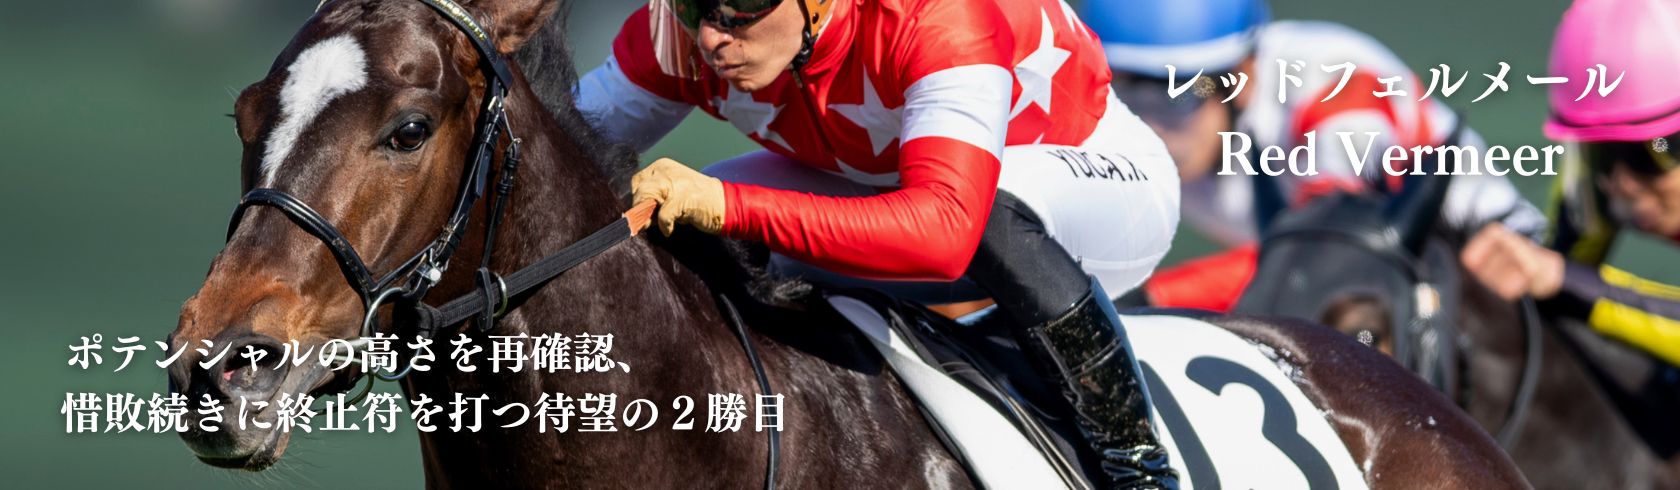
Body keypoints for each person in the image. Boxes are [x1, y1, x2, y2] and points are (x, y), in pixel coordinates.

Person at [574, 0, 1182, 487]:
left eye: (743, 4)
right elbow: (550, 151)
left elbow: (945, 234)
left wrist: (732, 205)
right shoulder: (676, 35)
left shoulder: (934, 13)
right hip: (901, 190)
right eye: (691, 6)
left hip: (1092, 195)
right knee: (687, 228)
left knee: (985, 211)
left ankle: (1139, 468)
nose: (711, 36)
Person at [1079, 0, 1547, 312]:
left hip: (1492, 275)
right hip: (1347, 291)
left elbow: (1323, 258)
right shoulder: (1147, 122)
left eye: (1179, 94)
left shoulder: (1336, 83)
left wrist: (1148, 298)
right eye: (1126, 91)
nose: (1150, 126)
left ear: (1244, 74)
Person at [1460, 0, 1680, 368]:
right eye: (1600, 152)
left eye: (1647, 153)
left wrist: (1564, 279)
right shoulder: (1596, 177)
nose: (1620, 182)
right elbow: (1554, 277)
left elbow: (1560, 276)